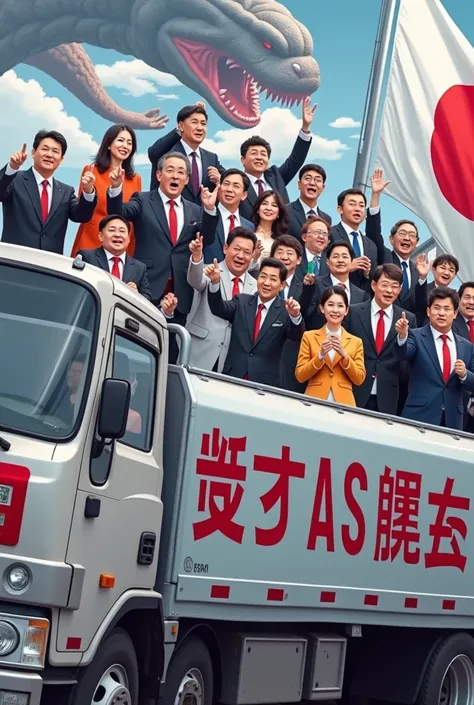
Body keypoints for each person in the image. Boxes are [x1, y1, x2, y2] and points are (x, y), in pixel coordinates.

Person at [106, 151, 218, 323]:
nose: (175, 176)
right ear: (159, 175)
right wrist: (115, 188)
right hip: (146, 286)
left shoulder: (195, 210)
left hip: (180, 292)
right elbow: (119, 214)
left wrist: (209, 210)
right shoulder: (143, 200)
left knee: (171, 344)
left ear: (187, 179)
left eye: (181, 172)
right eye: (170, 170)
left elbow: (206, 240)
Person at [207, 257, 304, 387]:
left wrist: (295, 316)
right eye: (263, 277)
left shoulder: (285, 309)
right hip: (234, 375)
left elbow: (296, 336)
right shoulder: (242, 301)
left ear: (281, 286)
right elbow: (218, 308)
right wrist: (214, 283)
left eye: (273, 279)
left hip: (265, 382)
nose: (266, 282)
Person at [0, 131, 97, 254]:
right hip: (15, 261)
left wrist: (88, 191)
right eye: (45, 149)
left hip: (49, 266)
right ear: (33, 153)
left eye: (55, 151)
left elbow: (82, 216)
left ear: (61, 159)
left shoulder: (66, 192)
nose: (49, 155)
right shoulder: (15, 179)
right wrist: (12, 168)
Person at [395, 287, 474, 430]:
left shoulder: (467, 346)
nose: (441, 313)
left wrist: (464, 375)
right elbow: (403, 353)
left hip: (452, 420)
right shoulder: (416, 336)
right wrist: (402, 336)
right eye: (437, 308)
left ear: (455, 314)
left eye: (447, 309)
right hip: (419, 416)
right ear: (428, 311)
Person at [345, 264, 416, 414]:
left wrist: (402, 336)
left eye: (395, 286)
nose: (389, 291)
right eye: (385, 285)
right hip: (354, 388)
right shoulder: (354, 311)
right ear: (373, 285)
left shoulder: (408, 318)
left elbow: (407, 358)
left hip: (389, 394)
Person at [186, 228, 258, 372]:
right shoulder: (209, 270)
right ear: (225, 248)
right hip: (200, 351)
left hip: (231, 360)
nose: (241, 256)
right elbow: (195, 280)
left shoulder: (256, 286)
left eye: (247, 252)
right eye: (236, 249)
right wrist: (196, 257)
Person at [238, 98, 316, 220]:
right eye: (254, 153)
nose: (259, 157)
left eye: (263, 154)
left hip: (281, 236)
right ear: (243, 159)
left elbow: (295, 159)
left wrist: (305, 128)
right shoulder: (237, 183)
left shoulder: (275, 176)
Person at [71, 124, 141, 257]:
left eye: (129, 143)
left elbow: (133, 215)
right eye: (120, 140)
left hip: (121, 247)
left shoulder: (135, 179)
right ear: (109, 144)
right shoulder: (91, 171)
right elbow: (83, 210)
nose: (125, 146)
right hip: (92, 241)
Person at [295, 287, 366, 405]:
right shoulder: (309, 336)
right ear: (322, 308)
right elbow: (300, 375)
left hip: (344, 403)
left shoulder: (355, 341)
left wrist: (344, 356)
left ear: (346, 310)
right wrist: (320, 356)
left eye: (340, 306)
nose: (335, 310)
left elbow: (359, 379)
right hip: (314, 399)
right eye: (330, 305)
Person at [148, 102, 225, 200]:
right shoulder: (166, 153)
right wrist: (178, 131)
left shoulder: (212, 158)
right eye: (194, 122)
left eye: (203, 123)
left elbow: (232, 179)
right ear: (181, 126)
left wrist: (220, 180)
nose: (200, 128)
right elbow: (153, 152)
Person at [330, 170, 387, 291]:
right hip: (334, 298)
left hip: (362, 302)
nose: (357, 209)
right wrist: (346, 268)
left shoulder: (371, 245)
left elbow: (374, 280)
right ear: (340, 209)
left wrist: (367, 274)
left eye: (361, 205)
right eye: (352, 204)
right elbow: (320, 269)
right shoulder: (330, 234)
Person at [77, 215, 151, 299]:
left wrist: (136, 294)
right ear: (100, 236)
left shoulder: (139, 268)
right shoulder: (87, 257)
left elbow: (147, 297)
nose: (117, 235)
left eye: (122, 231)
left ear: (129, 238)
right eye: (112, 230)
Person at [300, 241, 369, 331]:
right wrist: (308, 288)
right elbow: (305, 312)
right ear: (327, 261)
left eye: (345, 257)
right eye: (336, 256)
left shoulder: (360, 294)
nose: (340, 260)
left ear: (351, 261)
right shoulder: (315, 284)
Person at [270, 235, 306, 393]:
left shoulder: (307, 287)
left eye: (289, 253)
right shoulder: (260, 281)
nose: (284, 257)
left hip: (292, 356)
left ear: (298, 260)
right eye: (280, 252)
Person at [204, 169, 254, 263]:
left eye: (236, 186)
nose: (229, 189)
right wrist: (209, 210)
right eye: (226, 184)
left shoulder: (249, 227)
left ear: (244, 195)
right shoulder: (205, 215)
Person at [287, 164, 332, 240]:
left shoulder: (326, 219)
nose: (312, 183)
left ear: (323, 188)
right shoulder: (286, 211)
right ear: (299, 184)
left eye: (317, 180)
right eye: (308, 178)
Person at [416, 254, 460, 326]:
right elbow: (419, 304)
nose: (446, 273)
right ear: (433, 269)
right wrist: (422, 277)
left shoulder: (455, 297)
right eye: (443, 268)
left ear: (455, 275)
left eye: (451, 270)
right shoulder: (422, 289)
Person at [252, 190, 290, 262]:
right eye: (265, 204)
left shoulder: (282, 239)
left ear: (279, 213)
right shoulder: (249, 231)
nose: (268, 208)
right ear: (258, 209)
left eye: (274, 205)